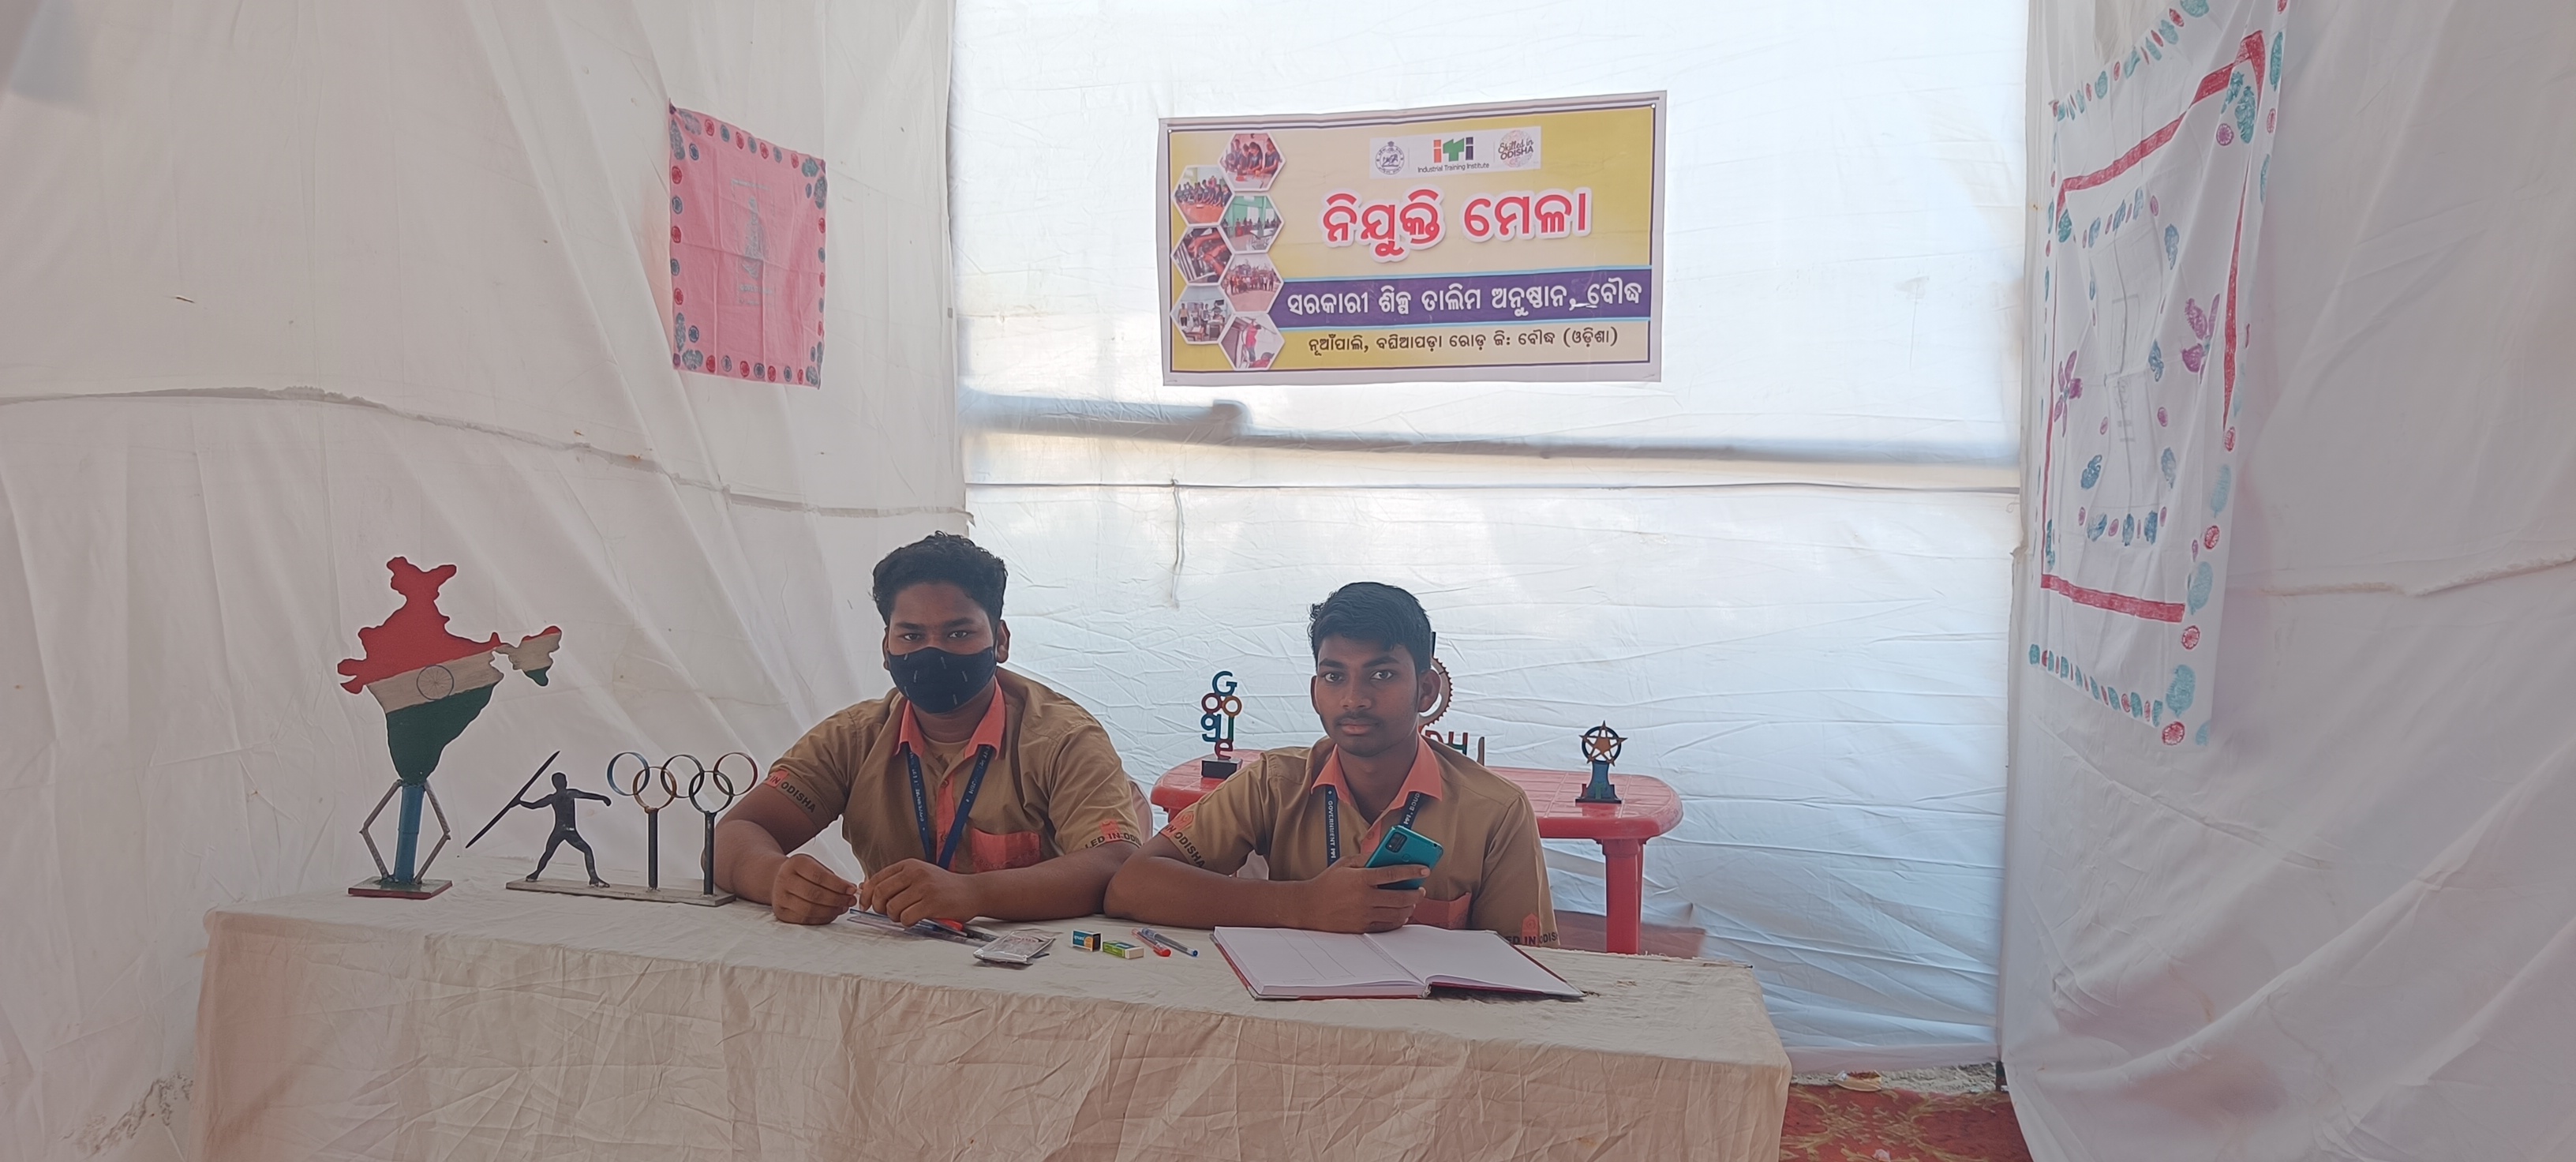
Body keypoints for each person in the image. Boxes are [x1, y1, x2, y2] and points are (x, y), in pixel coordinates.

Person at [714, 533, 1146, 925]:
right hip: (891, 964)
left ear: (1000, 641)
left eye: (958, 634)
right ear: (886, 649)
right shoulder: (852, 739)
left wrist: (974, 894)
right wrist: (775, 879)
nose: (933, 652)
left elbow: (1115, 863)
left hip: (1037, 966)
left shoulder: (1062, 740)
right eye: (912, 636)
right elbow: (731, 837)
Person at [1105, 583, 1558, 945]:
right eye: (1334, 676)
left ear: (1426, 691)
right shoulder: (1273, 784)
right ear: (1314, 691)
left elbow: (1525, 972)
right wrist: (1300, 904)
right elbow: (1131, 885)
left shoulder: (1496, 812)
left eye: (1382, 674)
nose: (1354, 699)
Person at [516, 770, 611, 886]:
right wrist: (603, 798)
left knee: (548, 853)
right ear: (565, 782)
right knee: (587, 851)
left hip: (559, 831)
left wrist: (520, 802)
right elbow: (588, 795)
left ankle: (535, 874)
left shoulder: (553, 798)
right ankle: (594, 878)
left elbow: (533, 806)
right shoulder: (570, 793)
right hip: (570, 831)